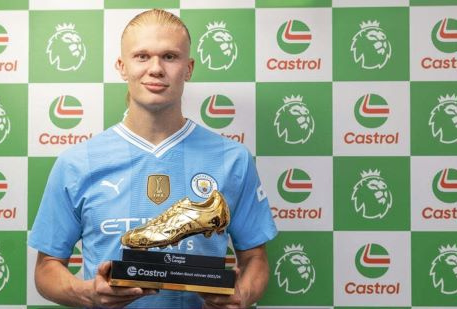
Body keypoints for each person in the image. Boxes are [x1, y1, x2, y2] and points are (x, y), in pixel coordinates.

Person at [28, 9, 277, 308]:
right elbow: (46, 268)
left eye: (170, 56)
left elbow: (255, 259)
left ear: (188, 68)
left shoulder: (233, 159)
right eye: (142, 56)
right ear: (122, 66)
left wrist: (242, 295)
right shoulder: (77, 162)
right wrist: (88, 293)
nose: (156, 68)